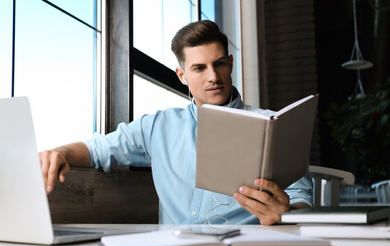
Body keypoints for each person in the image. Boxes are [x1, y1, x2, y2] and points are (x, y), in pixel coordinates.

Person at [40, 20, 312, 226]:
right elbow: (97, 149)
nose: (213, 77)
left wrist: (286, 216)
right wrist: (60, 153)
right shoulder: (158, 126)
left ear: (230, 64)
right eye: (199, 68)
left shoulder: (271, 125)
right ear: (181, 75)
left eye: (219, 64)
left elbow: (302, 202)